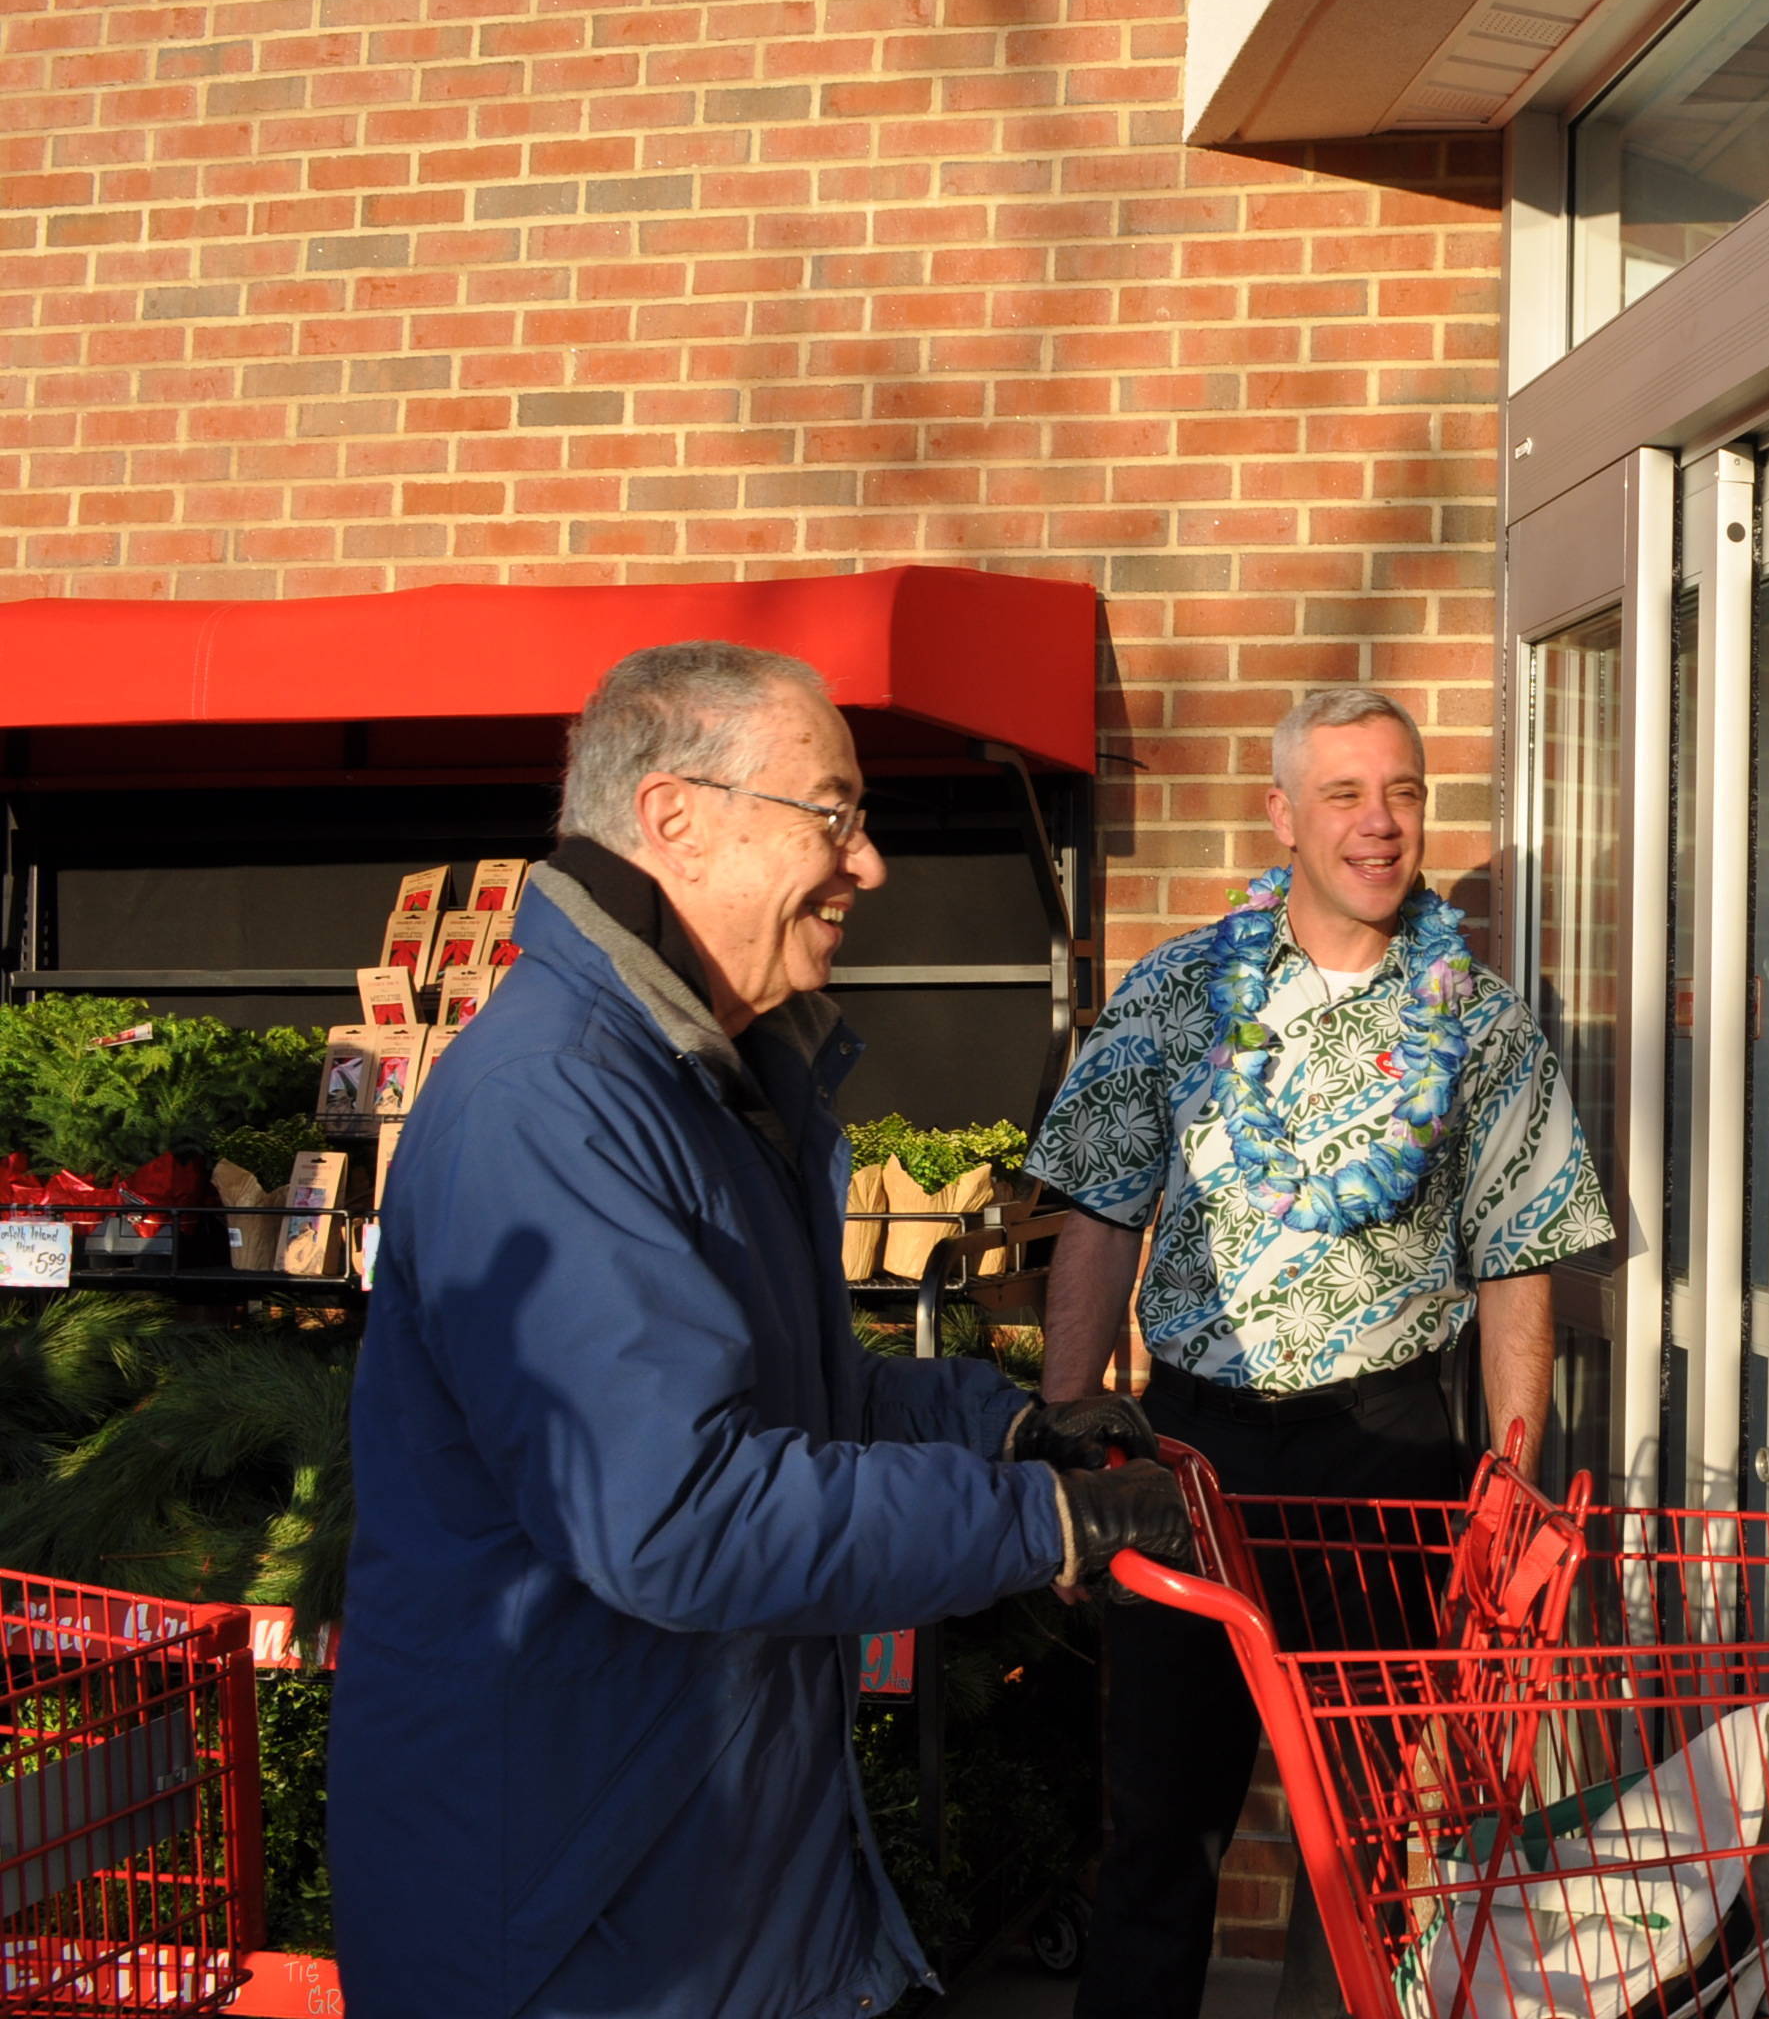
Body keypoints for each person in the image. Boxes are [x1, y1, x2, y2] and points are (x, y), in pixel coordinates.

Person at [331, 642, 1192, 2018]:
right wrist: (1041, 1524)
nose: (869, 865)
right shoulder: (556, 1105)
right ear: (674, 818)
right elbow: (677, 1514)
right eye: (833, 815)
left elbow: (792, 1394)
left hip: (703, 1876)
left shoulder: (701, 1083)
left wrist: (1010, 1428)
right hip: (583, 1934)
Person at [1032, 684, 1614, 2019]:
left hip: (1388, 1457)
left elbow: (1517, 1262)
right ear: (1284, 814)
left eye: (1403, 792)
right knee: (1159, 1823)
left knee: (1364, 1841)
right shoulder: (1178, 992)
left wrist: (1510, 1488)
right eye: (1345, 794)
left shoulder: (1482, 1019)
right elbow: (1101, 1219)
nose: (1379, 823)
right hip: (1192, 1456)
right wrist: (1069, 1429)